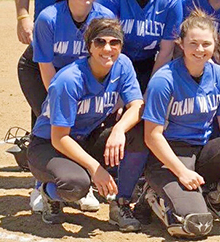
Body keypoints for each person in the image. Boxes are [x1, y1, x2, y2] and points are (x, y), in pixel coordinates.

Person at [142, 10, 220, 238]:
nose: (200, 50)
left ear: (214, 44)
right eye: (194, 43)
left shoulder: (219, 74)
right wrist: (181, 172)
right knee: (195, 225)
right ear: (181, 43)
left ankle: (218, 199)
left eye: (206, 44)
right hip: (170, 156)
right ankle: (151, 194)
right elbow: (152, 136)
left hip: (201, 151)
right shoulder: (164, 80)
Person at [26, 18, 146, 232]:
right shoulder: (69, 80)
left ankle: (121, 203)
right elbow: (59, 138)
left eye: (114, 42)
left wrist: (118, 130)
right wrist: (95, 169)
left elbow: (137, 104)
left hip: (85, 139)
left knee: (138, 131)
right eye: (100, 42)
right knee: (76, 185)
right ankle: (49, 192)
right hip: (49, 146)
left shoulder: (123, 64)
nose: (107, 48)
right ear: (89, 46)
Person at [18, 0, 114, 213]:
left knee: (79, 125)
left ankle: (81, 183)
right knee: (53, 120)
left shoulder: (104, 17)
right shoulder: (49, 18)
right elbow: (47, 71)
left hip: (77, 78)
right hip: (41, 72)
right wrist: (63, 101)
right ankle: (41, 184)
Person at [97, 0, 182, 93]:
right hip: (113, 62)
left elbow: (166, 52)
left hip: (149, 64)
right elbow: (104, 46)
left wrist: (150, 91)